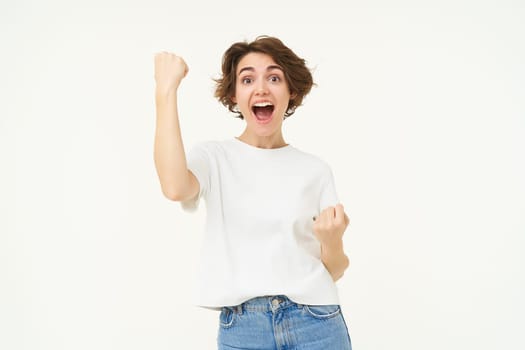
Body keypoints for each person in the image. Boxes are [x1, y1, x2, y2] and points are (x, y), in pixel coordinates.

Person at [154, 36, 352, 350]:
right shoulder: (214, 158)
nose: (261, 88)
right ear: (234, 95)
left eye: (274, 78)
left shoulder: (315, 170)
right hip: (245, 328)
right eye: (248, 79)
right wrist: (166, 91)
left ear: (292, 92)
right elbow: (175, 188)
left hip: (317, 321)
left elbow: (335, 269)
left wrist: (331, 240)